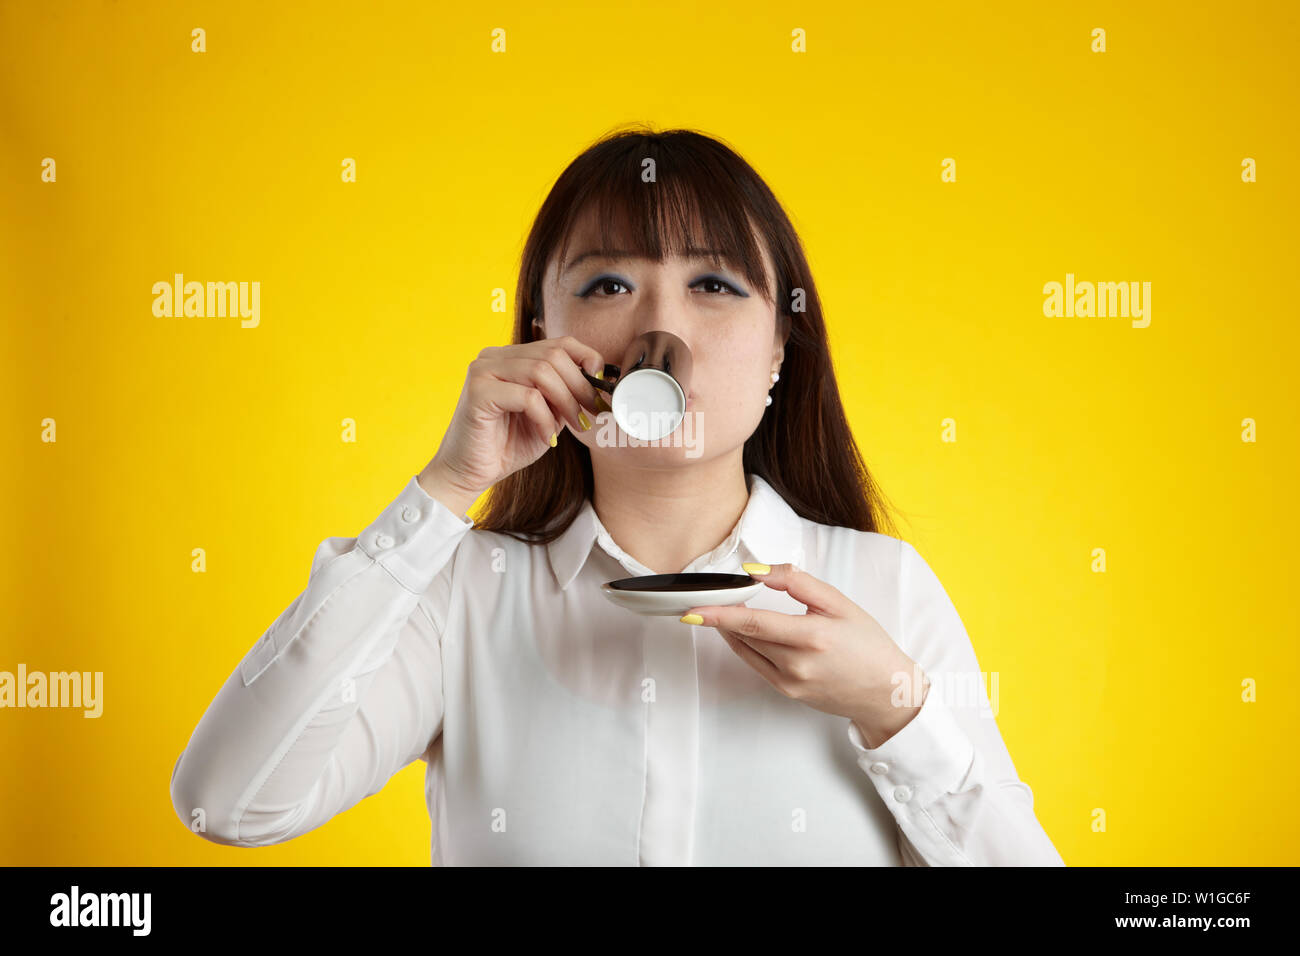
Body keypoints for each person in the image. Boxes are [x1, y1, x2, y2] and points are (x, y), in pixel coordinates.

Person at [169, 125, 1065, 866]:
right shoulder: (464, 593)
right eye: (607, 285)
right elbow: (228, 804)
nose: (658, 329)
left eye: (713, 284)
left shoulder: (883, 587)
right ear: (543, 337)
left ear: (780, 353)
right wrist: (448, 487)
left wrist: (896, 711)